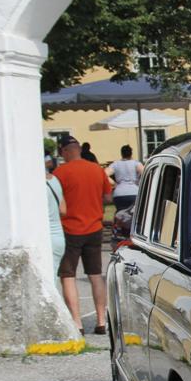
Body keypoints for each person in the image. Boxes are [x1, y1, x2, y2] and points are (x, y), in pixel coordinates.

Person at [54, 135, 113, 335]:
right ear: (79, 149)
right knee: (95, 275)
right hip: (94, 227)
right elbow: (107, 196)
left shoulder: (59, 173)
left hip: (69, 229)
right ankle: (101, 320)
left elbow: (57, 202)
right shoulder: (97, 170)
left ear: (64, 151)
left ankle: (77, 323)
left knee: (68, 276)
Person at [44, 155, 66, 281]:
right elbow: (63, 210)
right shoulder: (54, 180)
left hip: (46, 237)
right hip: (58, 235)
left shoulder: (35, 184)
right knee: (53, 280)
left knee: (47, 283)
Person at [105, 144, 143, 212]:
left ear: (121, 154)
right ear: (131, 154)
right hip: (134, 193)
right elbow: (145, 173)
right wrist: (139, 182)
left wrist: (114, 183)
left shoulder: (115, 164)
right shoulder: (136, 163)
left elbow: (104, 174)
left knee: (121, 216)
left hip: (119, 194)